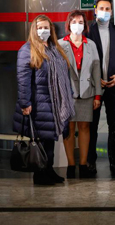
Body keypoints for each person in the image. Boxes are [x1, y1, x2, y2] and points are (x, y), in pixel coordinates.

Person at [13, 15, 75, 185]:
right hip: (39, 102)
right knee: (41, 140)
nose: (43, 30)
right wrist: (25, 103)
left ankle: (49, 170)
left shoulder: (55, 48)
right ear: (34, 29)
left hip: (54, 102)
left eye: (46, 27)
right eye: (39, 27)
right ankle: (40, 174)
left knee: (50, 139)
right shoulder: (27, 50)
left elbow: (64, 75)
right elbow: (23, 79)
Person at [85, 0, 115, 174]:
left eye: (108, 8)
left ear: (112, 11)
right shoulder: (88, 32)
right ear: (95, 10)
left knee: (114, 125)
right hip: (93, 86)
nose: (104, 11)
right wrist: (95, 79)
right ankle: (90, 161)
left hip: (113, 86)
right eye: (101, 8)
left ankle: (114, 160)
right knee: (92, 125)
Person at [59, 10, 102, 179]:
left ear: (85, 25)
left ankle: (83, 164)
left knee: (85, 127)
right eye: (74, 21)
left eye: (81, 22)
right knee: (69, 128)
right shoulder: (60, 44)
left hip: (87, 92)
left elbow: (97, 70)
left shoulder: (90, 44)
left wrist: (98, 95)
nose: (77, 24)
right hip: (67, 93)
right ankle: (71, 164)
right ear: (68, 24)